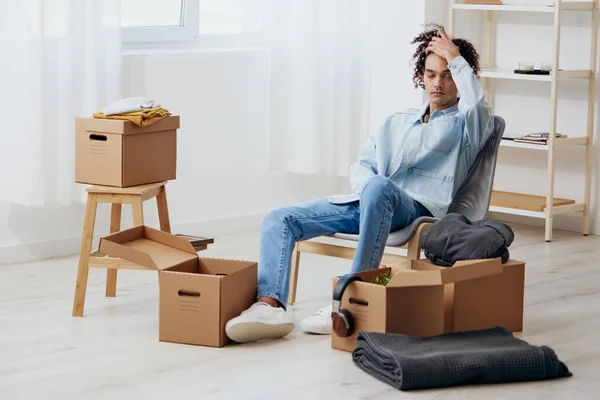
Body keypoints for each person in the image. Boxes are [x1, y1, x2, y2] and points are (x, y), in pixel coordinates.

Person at [225, 24, 494, 343]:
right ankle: (269, 305)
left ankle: (350, 299)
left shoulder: (469, 125)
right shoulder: (396, 121)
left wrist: (456, 57)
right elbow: (363, 166)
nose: (437, 83)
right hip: (369, 202)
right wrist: (369, 190)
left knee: (380, 187)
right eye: (431, 73)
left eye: (448, 74)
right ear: (421, 75)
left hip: (415, 209)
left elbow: (477, 104)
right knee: (278, 218)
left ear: (461, 79)